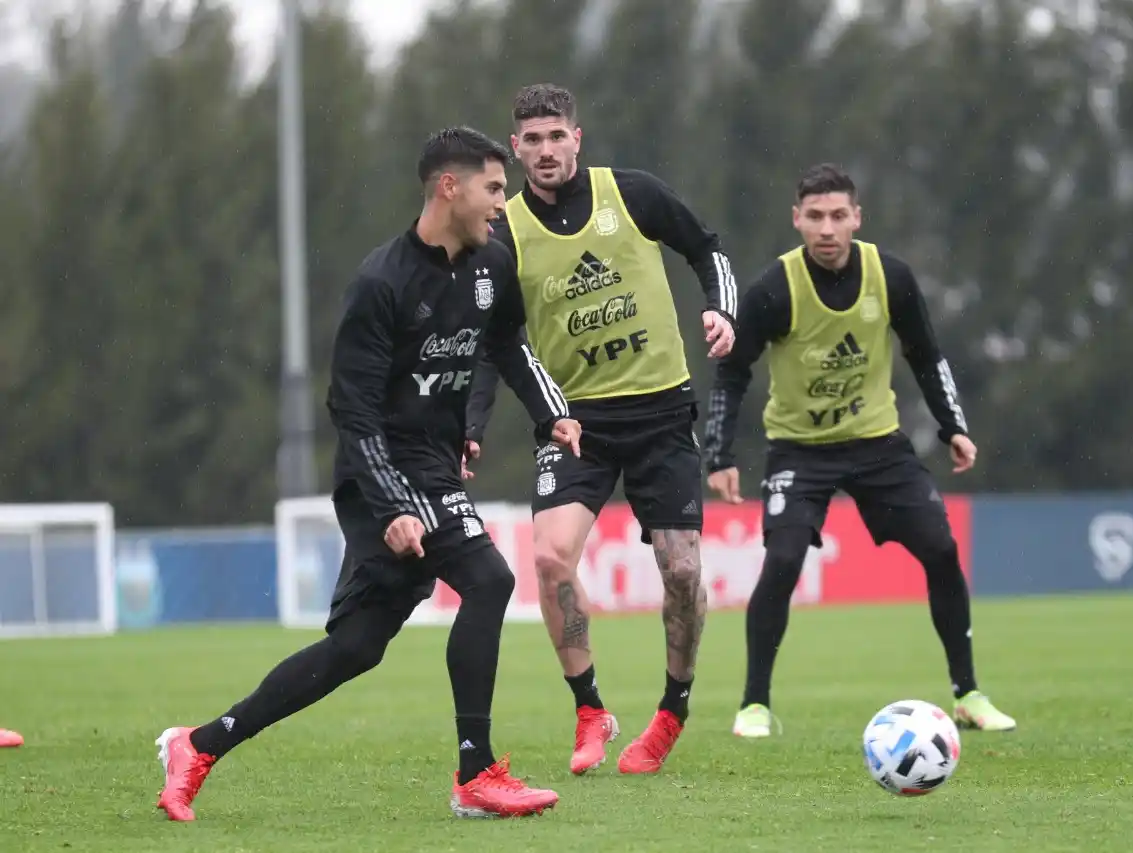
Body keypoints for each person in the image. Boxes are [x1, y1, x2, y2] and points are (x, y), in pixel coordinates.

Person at [154, 127, 582, 822]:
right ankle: (476, 773)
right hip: (377, 473)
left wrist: (550, 414)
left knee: (356, 647)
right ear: (451, 187)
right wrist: (392, 506)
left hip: (432, 468)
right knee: (491, 579)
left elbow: (507, 347)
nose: (504, 203)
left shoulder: (493, 263)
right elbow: (351, 413)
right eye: (494, 188)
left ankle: (199, 744)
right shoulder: (381, 282)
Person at [464, 83, 738, 776]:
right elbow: (494, 344)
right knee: (552, 558)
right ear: (516, 146)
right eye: (533, 139)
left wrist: (721, 310)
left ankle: (673, 706)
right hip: (574, 424)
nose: (547, 149)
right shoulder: (504, 234)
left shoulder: (633, 195)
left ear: (576, 138)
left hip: (660, 411)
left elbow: (707, 248)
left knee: (681, 570)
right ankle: (590, 707)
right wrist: (470, 425)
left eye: (557, 136)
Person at [703, 163, 1017, 738]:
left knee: (941, 550)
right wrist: (719, 455)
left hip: (878, 446)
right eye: (815, 217)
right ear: (797, 219)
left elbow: (927, 355)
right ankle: (754, 705)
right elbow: (731, 373)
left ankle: (969, 693)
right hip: (799, 451)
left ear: (857, 219)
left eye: (838, 216)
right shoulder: (774, 289)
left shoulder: (890, 277)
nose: (827, 229)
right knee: (783, 561)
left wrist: (954, 426)